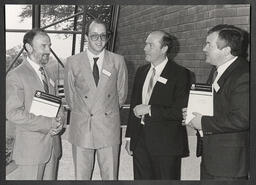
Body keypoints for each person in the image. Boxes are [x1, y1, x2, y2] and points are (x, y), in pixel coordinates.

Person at [64, 18, 128, 180]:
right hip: (82, 127)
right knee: (82, 177)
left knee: (110, 176)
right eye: (94, 36)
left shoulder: (117, 61)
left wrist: (102, 110)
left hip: (108, 127)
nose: (99, 40)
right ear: (86, 37)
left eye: (103, 35)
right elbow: (70, 97)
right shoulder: (73, 62)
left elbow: (121, 95)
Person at [183, 24, 249, 179]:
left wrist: (203, 122)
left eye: (209, 44)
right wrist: (193, 112)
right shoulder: (217, 70)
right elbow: (217, 107)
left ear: (226, 50)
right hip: (212, 159)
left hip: (229, 165)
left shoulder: (244, 75)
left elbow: (242, 119)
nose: (204, 49)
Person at [125, 30, 191, 180]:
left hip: (166, 146)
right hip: (140, 143)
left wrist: (150, 109)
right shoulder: (141, 72)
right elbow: (134, 106)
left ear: (164, 49)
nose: (145, 48)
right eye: (145, 44)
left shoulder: (181, 74)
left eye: (150, 45)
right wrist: (129, 137)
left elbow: (180, 111)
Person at [6, 28, 63, 180]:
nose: (48, 50)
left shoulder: (49, 73)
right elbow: (13, 113)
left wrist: (59, 122)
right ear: (28, 47)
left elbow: (58, 104)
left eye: (49, 45)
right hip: (31, 151)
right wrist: (48, 123)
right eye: (43, 46)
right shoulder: (16, 75)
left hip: (52, 147)